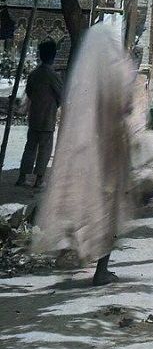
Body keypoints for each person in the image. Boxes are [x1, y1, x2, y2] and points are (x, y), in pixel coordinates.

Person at [33, 25, 139, 286]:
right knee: (109, 210)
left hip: (83, 152)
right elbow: (127, 106)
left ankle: (72, 250)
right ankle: (101, 270)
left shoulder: (82, 78)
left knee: (81, 202)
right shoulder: (117, 71)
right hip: (110, 153)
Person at [16, 40, 64, 188]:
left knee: (29, 147)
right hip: (47, 117)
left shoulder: (34, 74)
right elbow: (61, 95)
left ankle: (22, 177)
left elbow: (29, 92)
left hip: (34, 116)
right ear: (53, 56)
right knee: (44, 148)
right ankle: (39, 180)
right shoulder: (53, 75)